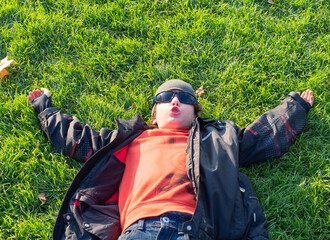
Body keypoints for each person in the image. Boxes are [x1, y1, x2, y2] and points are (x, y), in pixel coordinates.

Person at [28, 80, 313, 240]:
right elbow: (77, 138)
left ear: (195, 114)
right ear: (155, 114)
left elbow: (261, 136)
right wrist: (45, 108)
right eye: (166, 97)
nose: (175, 101)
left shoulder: (214, 140)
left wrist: (296, 107)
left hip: (195, 228)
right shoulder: (129, 139)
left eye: (184, 98)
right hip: (137, 230)